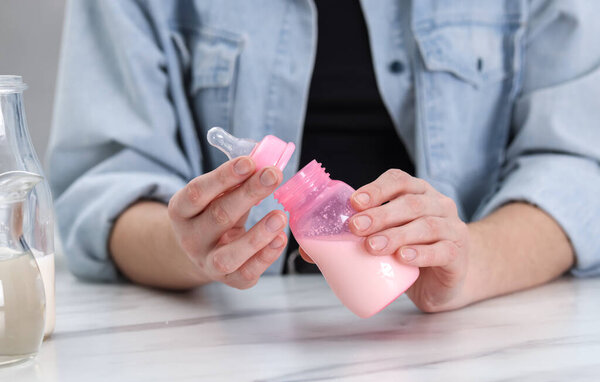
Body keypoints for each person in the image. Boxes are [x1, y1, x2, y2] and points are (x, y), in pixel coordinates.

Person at [47, 0, 600, 312]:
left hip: (482, 332)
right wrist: (189, 247)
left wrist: (472, 258)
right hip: (229, 341)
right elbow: (103, 187)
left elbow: (580, 165)